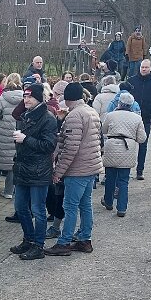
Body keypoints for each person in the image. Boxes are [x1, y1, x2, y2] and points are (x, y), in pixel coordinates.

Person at [45, 82, 103, 255]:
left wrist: (58, 172)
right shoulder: (91, 111)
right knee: (85, 205)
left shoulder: (74, 116)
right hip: (91, 166)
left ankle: (64, 242)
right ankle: (85, 239)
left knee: (70, 206)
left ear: (67, 98)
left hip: (78, 170)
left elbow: (71, 148)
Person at [9, 82, 59, 260]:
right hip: (23, 169)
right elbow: (15, 114)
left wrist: (25, 139)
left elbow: (48, 146)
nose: (26, 99)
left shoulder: (48, 118)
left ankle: (38, 245)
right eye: (24, 96)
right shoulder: (25, 115)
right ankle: (28, 239)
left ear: (38, 97)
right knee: (21, 207)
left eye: (29, 96)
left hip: (39, 171)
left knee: (38, 210)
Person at [100, 91, 148, 216]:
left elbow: (103, 130)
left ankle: (108, 201)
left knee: (110, 176)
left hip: (112, 145)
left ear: (119, 103)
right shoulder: (137, 118)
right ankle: (122, 208)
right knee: (123, 180)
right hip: (127, 147)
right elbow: (142, 138)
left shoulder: (111, 115)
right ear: (132, 105)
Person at [0, 73, 24, 198]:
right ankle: (8, 192)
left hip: (1, 133)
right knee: (12, 164)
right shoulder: (24, 100)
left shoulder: (0, 98)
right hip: (16, 134)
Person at [125, 59, 151, 179]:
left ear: (150, 68)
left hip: (146, 117)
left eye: (146, 67)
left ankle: (140, 170)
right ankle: (126, 170)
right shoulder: (131, 81)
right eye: (142, 67)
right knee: (128, 144)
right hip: (131, 117)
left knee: (143, 144)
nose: (144, 69)